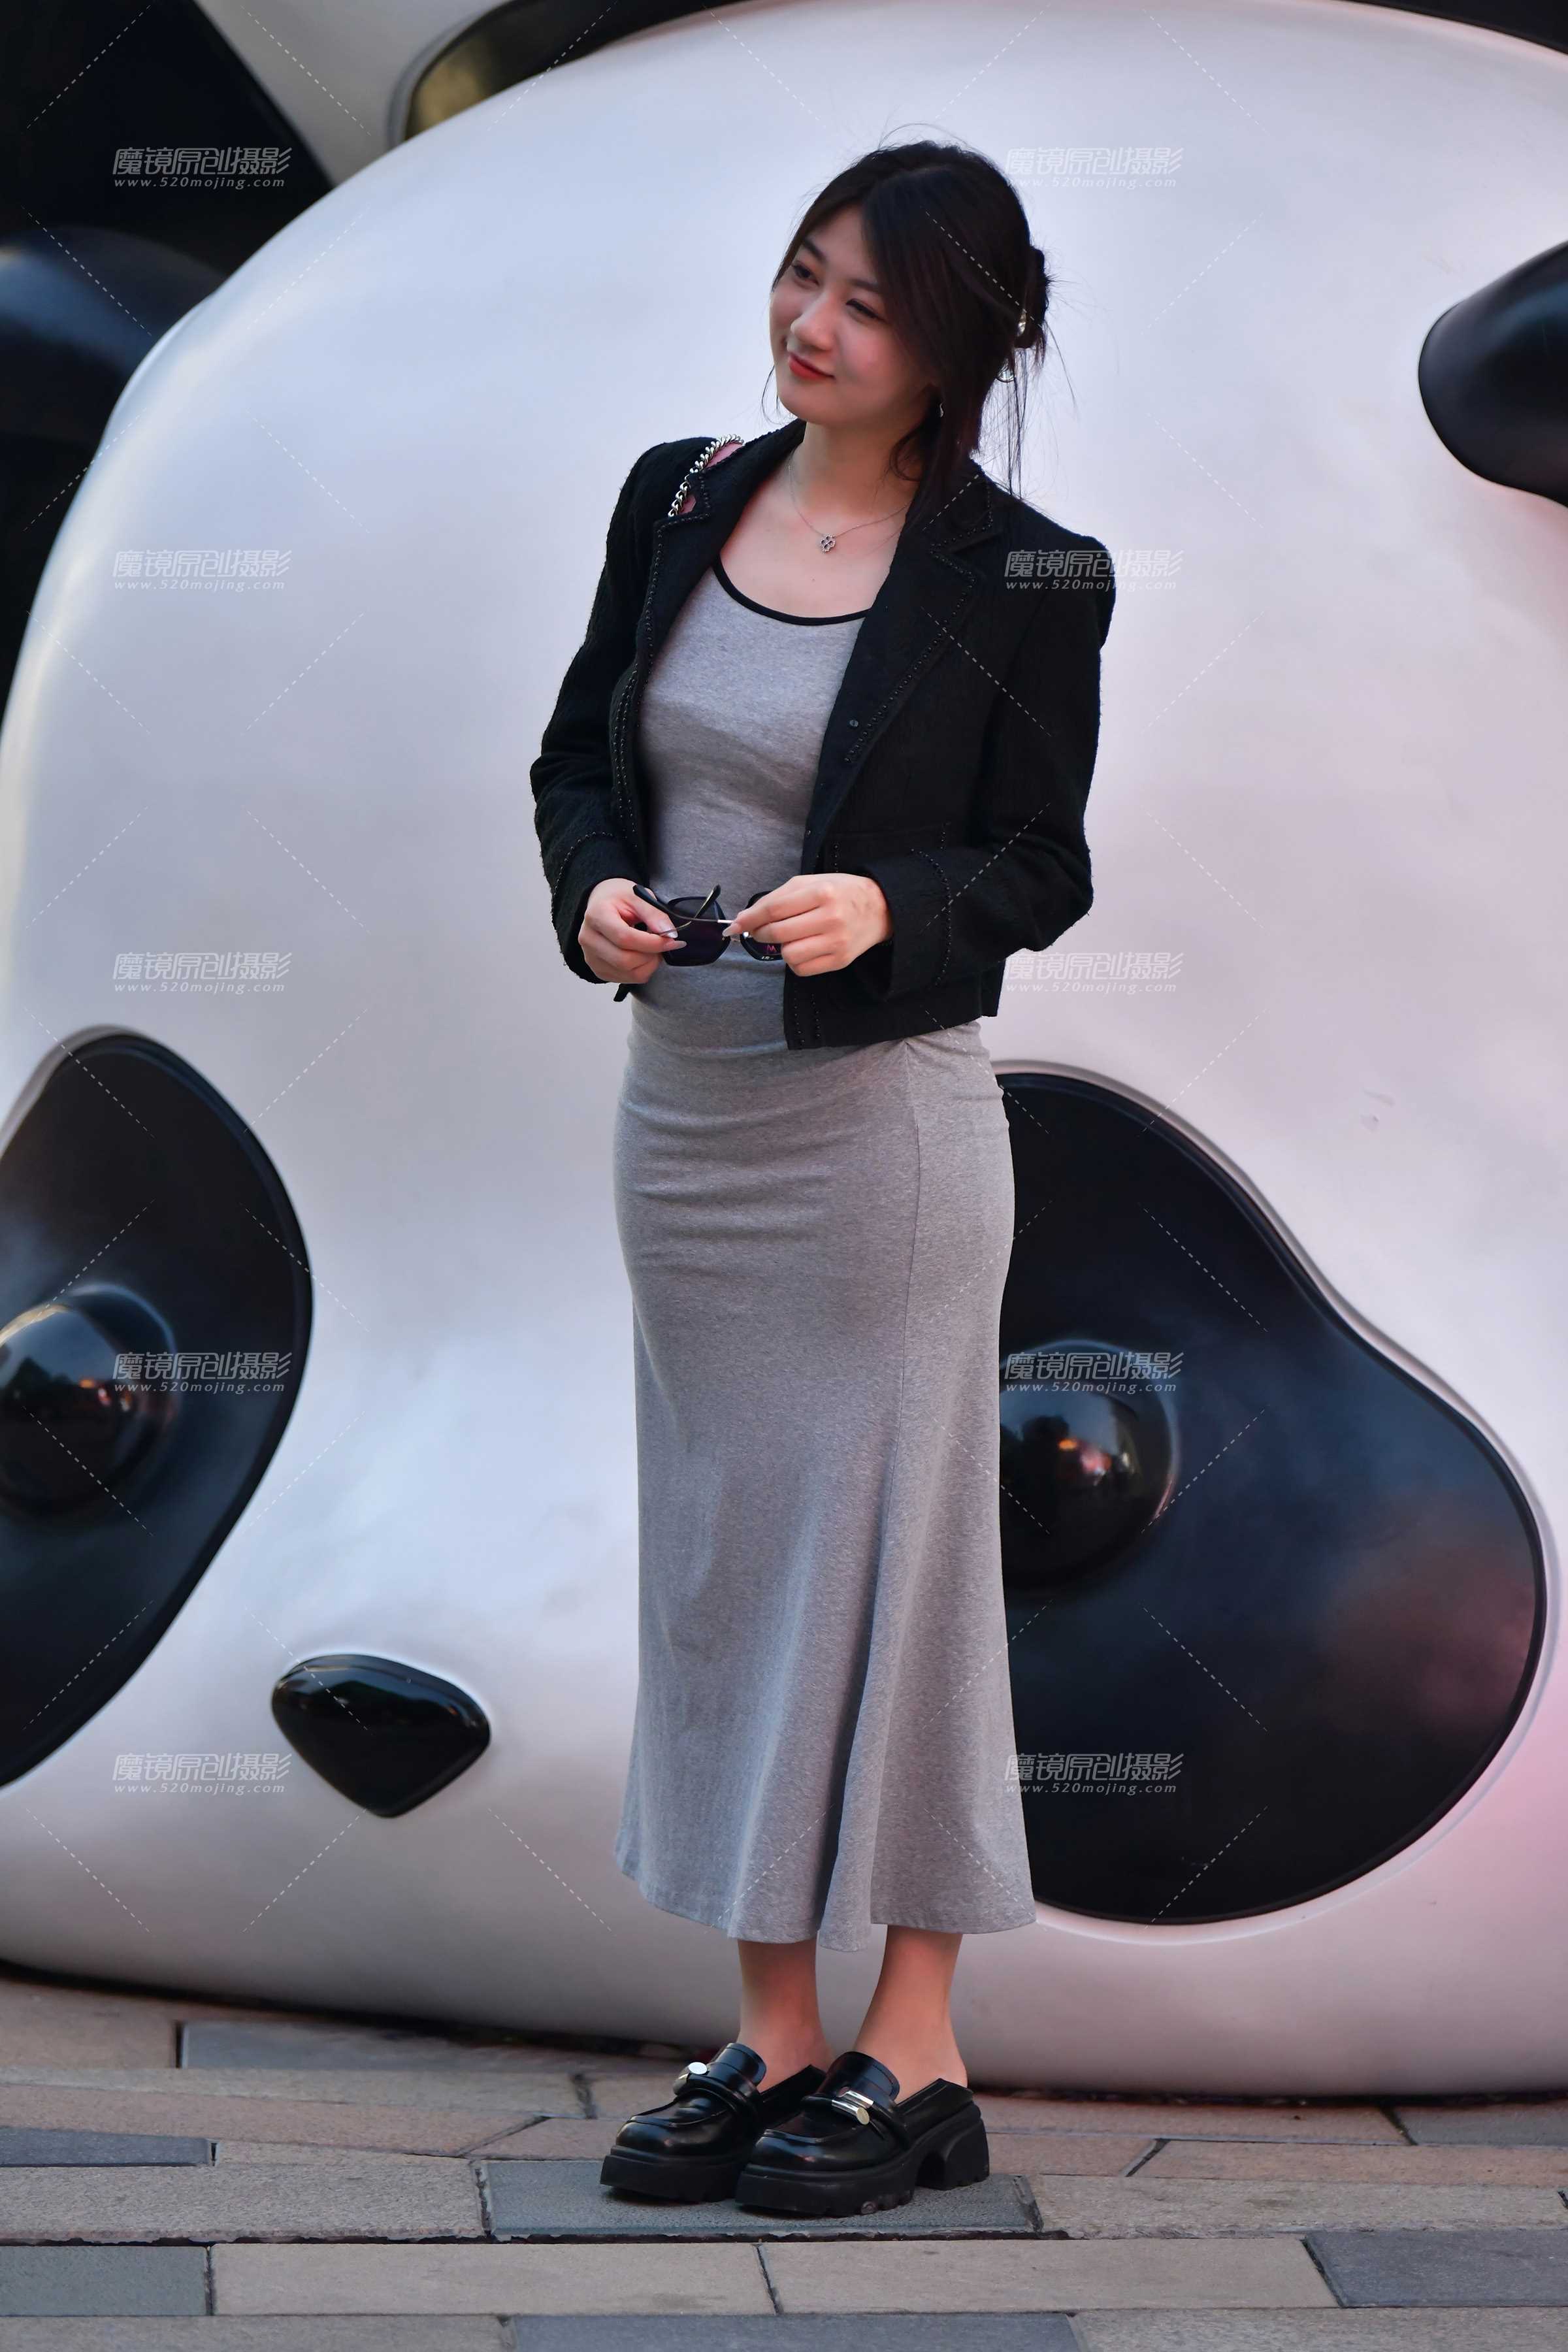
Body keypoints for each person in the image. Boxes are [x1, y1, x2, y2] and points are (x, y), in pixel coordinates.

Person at [531, 138, 1115, 2219]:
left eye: (869, 306)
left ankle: (918, 2048)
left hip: (881, 1141)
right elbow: (578, 759)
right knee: (720, 1566)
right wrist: (595, 894)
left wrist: (886, 906)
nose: (814, 326)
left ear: (955, 347)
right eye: (802, 275)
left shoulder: (1031, 574)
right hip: (686, 1128)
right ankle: (774, 2030)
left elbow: (1039, 863)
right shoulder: (679, 497)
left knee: (901, 1577)